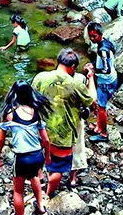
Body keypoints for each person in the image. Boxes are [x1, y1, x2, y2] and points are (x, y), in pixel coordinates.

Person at [32, 48, 96, 198]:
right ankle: (47, 195)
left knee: (41, 158)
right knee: (57, 169)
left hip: (41, 130)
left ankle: (38, 182)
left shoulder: (40, 77)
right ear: (73, 67)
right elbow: (93, 100)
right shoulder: (76, 84)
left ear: (58, 61)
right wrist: (91, 78)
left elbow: (32, 100)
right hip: (63, 136)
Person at [0, 82, 51, 215]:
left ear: (15, 94)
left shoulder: (10, 113)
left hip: (22, 158)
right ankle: (41, 207)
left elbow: (1, 139)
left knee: (18, 191)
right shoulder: (36, 111)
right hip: (38, 155)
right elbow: (46, 140)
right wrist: (48, 156)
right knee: (34, 177)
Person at [86, 22, 117, 142]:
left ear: (100, 34)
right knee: (99, 105)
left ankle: (103, 134)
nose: (92, 39)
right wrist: (93, 64)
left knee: (101, 107)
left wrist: (93, 70)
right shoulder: (106, 43)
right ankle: (99, 127)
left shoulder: (102, 50)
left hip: (106, 82)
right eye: (90, 37)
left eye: (94, 36)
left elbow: (106, 69)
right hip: (111, 78)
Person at [69, 71, 89, 188]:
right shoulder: (80, 79)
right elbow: (90, 99)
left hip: (59, 118)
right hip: (76, 118)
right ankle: (72, 178)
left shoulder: (52, 78)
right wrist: (90, 78)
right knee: (77, 146)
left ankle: (54, 174)